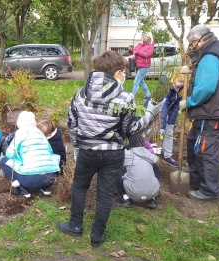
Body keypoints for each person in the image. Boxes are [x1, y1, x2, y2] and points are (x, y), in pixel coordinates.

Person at [57, 51, 164, 248]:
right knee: (105, 194)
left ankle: (75, 226)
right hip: (114, 154)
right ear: (117, 73)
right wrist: (150, 113)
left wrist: (77, 145)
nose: (125, 74)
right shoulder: (125, 98)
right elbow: (131, 129)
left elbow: (72, 123)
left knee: (80, 187)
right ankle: (97, 236)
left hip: (87, 151)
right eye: (123, 71)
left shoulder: (80, 95)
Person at [180, 25, 219, 201]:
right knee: (193, 140)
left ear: (200, 40)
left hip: (213, 113)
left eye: (191, 42)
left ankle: (210, 190)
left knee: (206, 150)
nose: (190, 46)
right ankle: (198, 180)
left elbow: (207, 88)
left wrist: (189, 102)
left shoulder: (210, 57)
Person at [0, 111, 61, 198]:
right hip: (50, 178)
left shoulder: (21, 133)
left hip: (30, 181)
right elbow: (50, 152)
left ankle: (22, 189)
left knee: (4, 160)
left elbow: (10, 154)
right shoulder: (40, 133)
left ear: (19, 123)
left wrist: (20, 158)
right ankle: (45, 187)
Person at [115, 133, 160, 209]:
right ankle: (152, 199)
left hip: (133, 192)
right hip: (152, 192)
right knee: (155, 168)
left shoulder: (127, 154)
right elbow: (156, 159)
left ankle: (125, 198)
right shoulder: (148, 154)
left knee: (116, 169)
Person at [159, 66, 189, 168]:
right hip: (155, 112)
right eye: (180, 81)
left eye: (184, 82)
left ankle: (167, 156)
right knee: (152, 133)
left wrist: (170, 123)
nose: (182, 83)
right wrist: (162, 125)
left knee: (169, 133)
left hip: (166, 112)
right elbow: (163, 106)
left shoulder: (181, 90)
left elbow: (175, 107)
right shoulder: (165, 87)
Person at [132, 32, 154, 106]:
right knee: (141, 82)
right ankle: (149, 96)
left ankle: (132, 97)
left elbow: (147, 55)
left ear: (149, 38)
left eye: (147, 36)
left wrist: (137, 52)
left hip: (145, 66)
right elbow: (134, 50)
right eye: (144, 36)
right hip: (138, 65)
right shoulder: (139, 44)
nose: (145, 37)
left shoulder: (150, 46)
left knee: (136, 81)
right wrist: (136, 49)